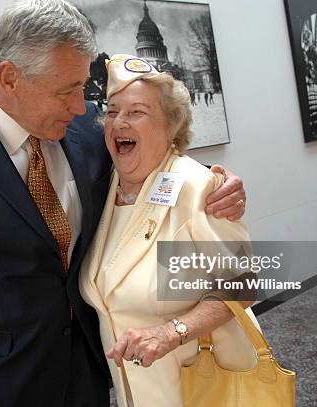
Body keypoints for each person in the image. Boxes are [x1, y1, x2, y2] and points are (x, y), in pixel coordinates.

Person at [0, 1, 247, 406]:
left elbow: (150, 156)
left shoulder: (85, 131)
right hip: (9, 383)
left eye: (82, 86)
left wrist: (210, 181)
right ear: (10, 78)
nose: (82, 106)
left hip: (98, 371)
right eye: (67, 91)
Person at [79, 54, 261, 407]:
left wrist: (171, 332)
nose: (119, 122)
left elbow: (244, 282)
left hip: (208, 388)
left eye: (136, 112)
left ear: (171, 125)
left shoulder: (197, 188)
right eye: (113, 111)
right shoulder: (103, 188)